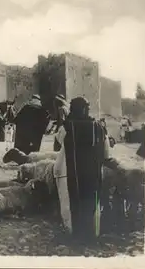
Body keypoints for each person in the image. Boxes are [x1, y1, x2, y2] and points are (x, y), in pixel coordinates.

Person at [53, 96, 109, 242]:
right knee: (91, 201)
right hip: (93, 172)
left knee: (70, 202)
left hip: (69, 171)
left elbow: (57, 145)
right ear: (85, 109)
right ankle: (91, 234)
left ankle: (74, 234)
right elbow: (106, 152)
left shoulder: (66, 127)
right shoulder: (98, 126)